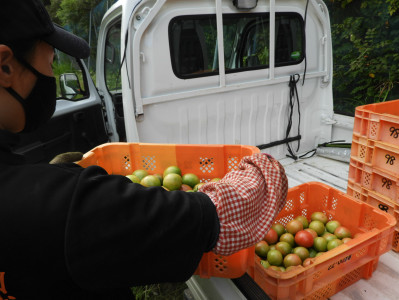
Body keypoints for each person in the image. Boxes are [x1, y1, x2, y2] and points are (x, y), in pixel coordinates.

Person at [0, 1, 288, 299]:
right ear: (5, 66)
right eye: (49, 66)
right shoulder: (66, 206)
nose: (51, 79)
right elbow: (209, 217)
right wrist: (265, 168)